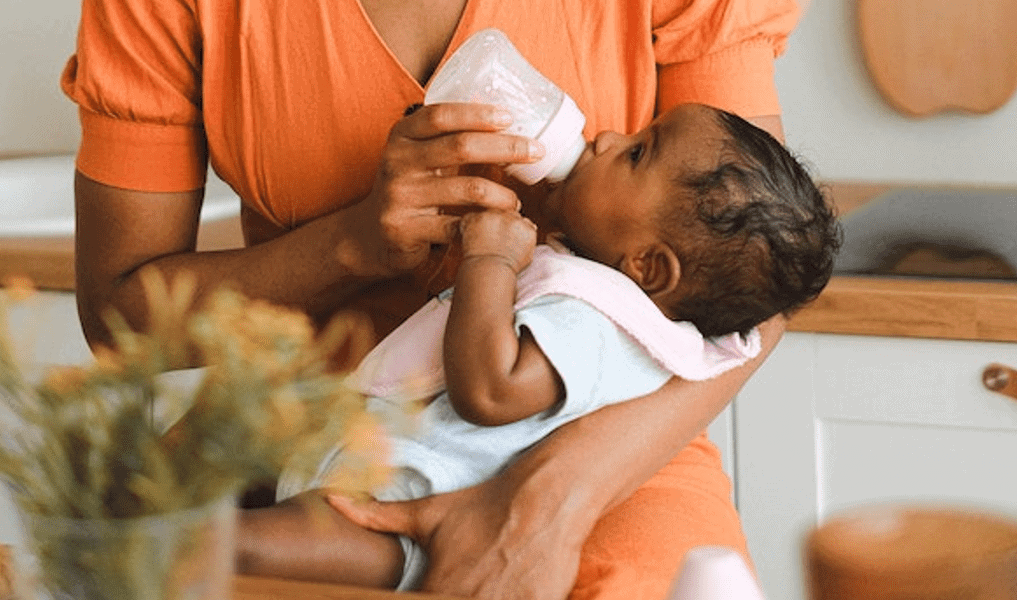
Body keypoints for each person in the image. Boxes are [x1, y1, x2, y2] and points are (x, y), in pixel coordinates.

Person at [62, 0, 801, 596]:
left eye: (638, 149)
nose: (613, 140)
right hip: (306, 444)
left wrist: (547, 503)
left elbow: (761, 281)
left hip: (604, 440)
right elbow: (118, 316)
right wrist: (350, 244)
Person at [235, 102, 840, 591]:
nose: (604, 137)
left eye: (636, 153)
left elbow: (492, 391)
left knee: (245, 544)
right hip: (360, 462)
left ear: (650, 267)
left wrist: (489, 259)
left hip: (407, 514)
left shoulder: (601, 324)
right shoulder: (598, 288)